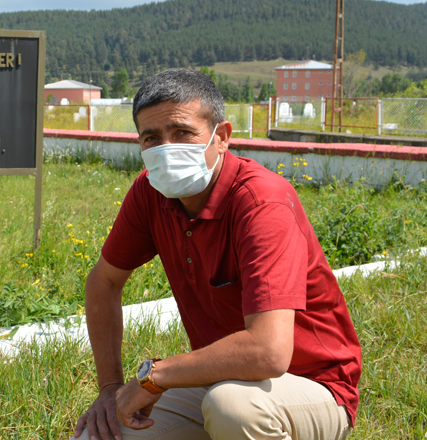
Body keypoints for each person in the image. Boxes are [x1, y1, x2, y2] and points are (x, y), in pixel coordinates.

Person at [72, 69, 361, 440]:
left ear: (221, 137)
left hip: (315, 386)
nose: (166, 148)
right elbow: (104, 281)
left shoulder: (261, 202)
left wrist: (153, 377)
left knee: (233, 410)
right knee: (104, 433)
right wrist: (109, 388)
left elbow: (269, 352)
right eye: (151, 138)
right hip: (222, 380)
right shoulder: (150, 193)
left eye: (182, 133)